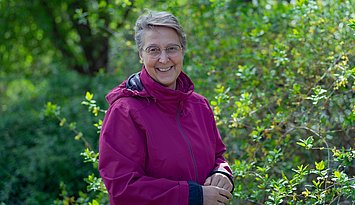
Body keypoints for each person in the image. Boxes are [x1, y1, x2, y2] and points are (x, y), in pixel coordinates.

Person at [98, 10, 234, 205]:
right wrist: (194, 196)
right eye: (153, 50)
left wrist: (222, 171)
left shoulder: (200, 105)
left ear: (182, 51)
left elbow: (217, 156)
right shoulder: (125, 111)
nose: (164, 59)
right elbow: (123, 188)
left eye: (172, 48)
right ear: (140, 55)